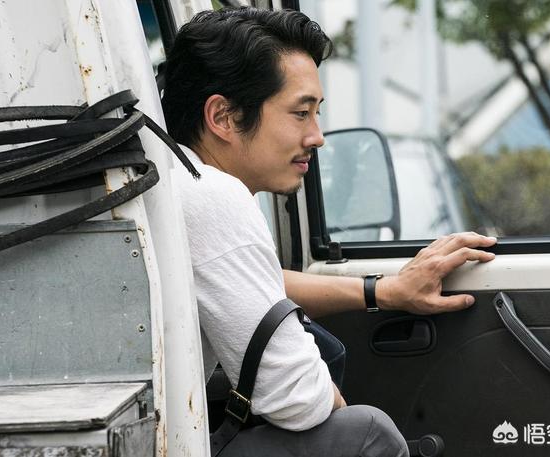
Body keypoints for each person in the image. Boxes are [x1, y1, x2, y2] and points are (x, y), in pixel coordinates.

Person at [162, 7, 496, 457]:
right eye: (301, 113)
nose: (318, 136)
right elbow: (298, 400)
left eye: (316, 114)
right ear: (223, 116)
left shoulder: (174, 181)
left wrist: (384, 290)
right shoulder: (212, 194)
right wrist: (334, 398)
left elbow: (255, 281)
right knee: (368, 433)